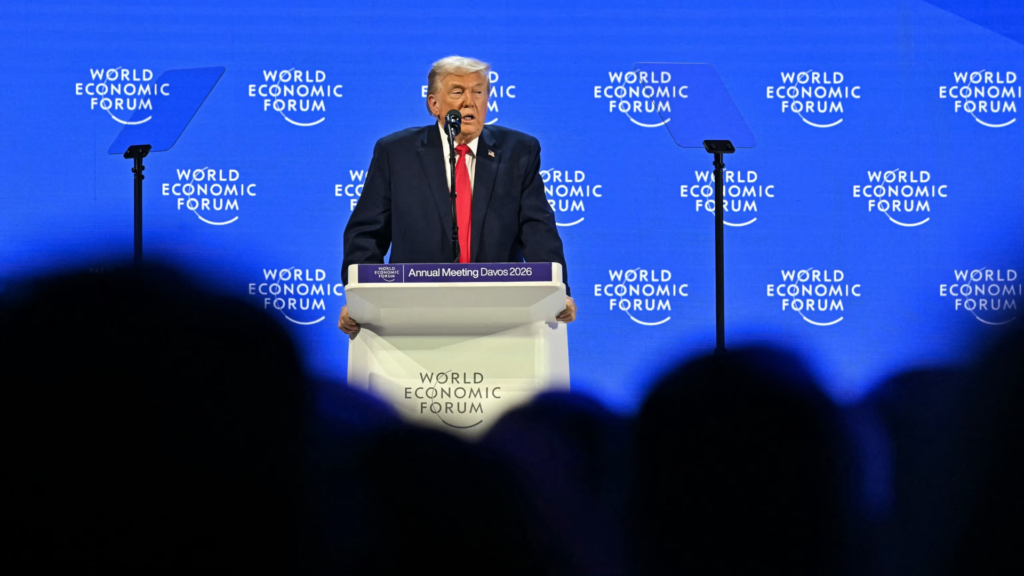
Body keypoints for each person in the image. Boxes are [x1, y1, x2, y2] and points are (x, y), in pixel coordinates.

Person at [338, 55, 575, 335]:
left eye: (478, 91)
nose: (469, 102)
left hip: (501, 313)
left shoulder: (518, 152)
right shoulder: (396, 153)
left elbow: (538, 231)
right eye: (457, 92)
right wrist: (363, 300)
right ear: (434, 104)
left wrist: (558, 293)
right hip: (412, 312)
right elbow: (365, 234)